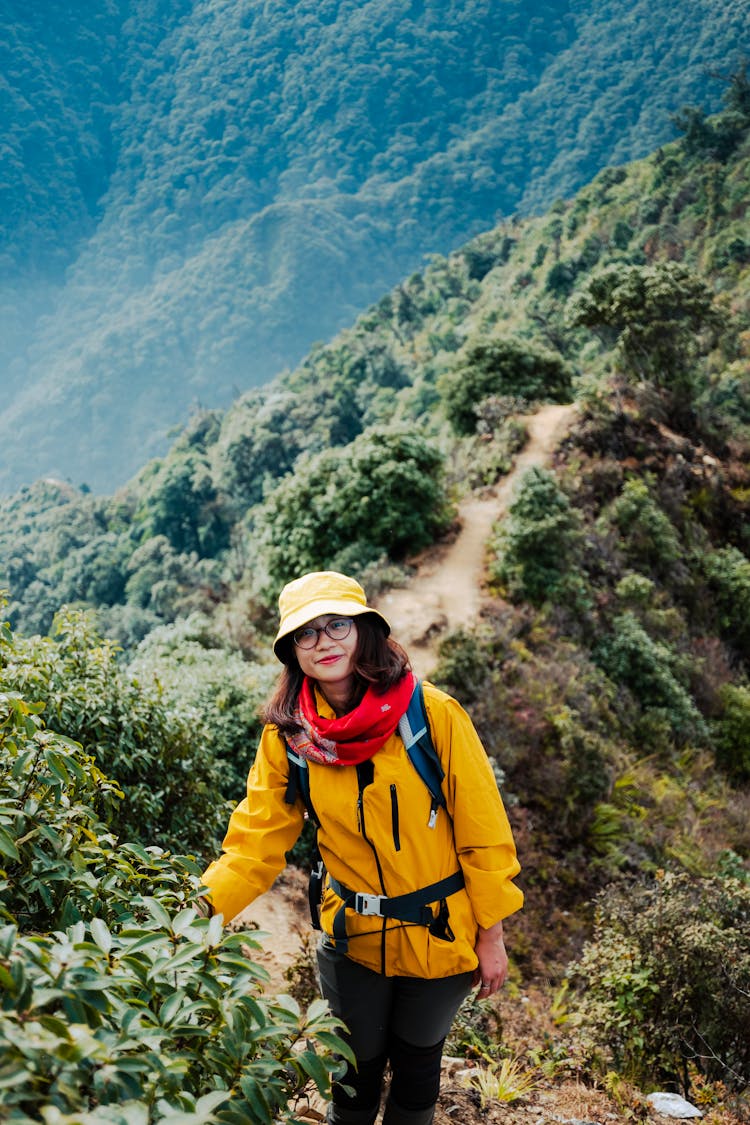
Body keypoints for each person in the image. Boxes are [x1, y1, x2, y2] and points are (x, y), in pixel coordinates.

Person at [200, 571, 523, 1125]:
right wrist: (196, 915)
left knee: (418, 1070)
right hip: (350, 936)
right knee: (353, 1075)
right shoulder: (289, 737)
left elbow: (484, 834)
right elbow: (254, 841)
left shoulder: (431, 715)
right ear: (291, 651)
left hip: (439, 936)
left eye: (337, 625)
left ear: (364, 631)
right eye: (307, 633)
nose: (324, 642)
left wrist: (490, 934)